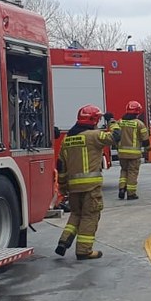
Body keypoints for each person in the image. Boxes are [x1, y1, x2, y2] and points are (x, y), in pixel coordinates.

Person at [55, 104, 115, 259]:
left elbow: (61, 165)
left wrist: (62, 187)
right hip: (91, 187)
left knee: (76, 214)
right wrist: (111, 121)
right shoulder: (94, 135)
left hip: (73, 187)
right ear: (94, 119)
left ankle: (63, 241)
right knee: (90, 216)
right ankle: (84, 250)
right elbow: (116, 136)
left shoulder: (67, 139)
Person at [111, 101, 149, 200]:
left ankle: (122, 188)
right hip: (134, 154)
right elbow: (145, 139)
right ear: (137, 111)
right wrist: (148, 148)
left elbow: (115, 135)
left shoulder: (120, 122)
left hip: (122, 153)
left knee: (124, 170)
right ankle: (131, 193)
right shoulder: (139, 124)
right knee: (132, 172)